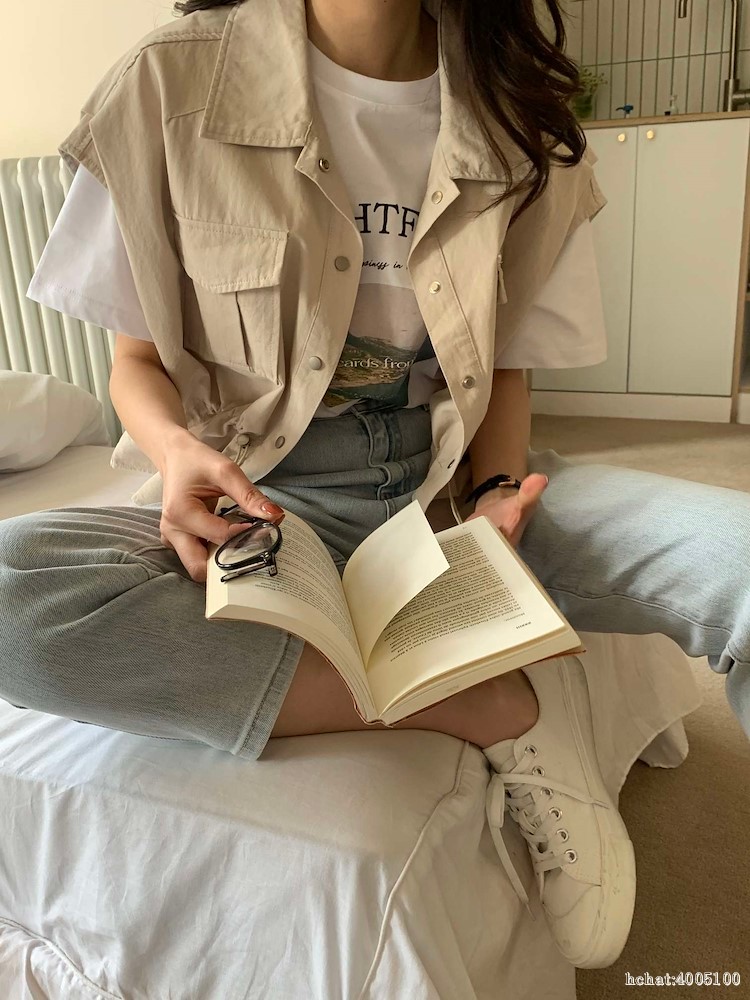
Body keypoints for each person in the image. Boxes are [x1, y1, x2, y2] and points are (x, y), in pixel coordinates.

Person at [1, 0, 748, 972]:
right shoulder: (168, 87)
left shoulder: (520, 108)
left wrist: (497, 494)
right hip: (262, 503)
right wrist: (176, 452)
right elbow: (134, 364)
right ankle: (480, 703)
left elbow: (506, 370)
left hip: (453, 485)